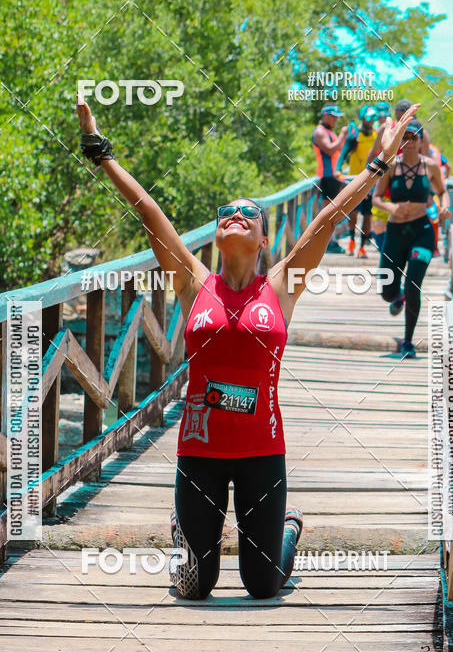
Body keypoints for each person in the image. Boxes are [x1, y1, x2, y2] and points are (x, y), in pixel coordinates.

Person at [76, 93, 420, 598]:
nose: (235, 214)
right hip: (200, 451)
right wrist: (100, 152)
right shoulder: (192, 282)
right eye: (226, 212)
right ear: (217, 233)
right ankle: (184, 533)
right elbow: (147, 210)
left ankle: (287, 530)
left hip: (262, 451)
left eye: (248, 213)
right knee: (194, 585)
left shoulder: (282, 285)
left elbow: (328, 218)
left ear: (263, 239)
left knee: (262, 584)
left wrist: (379, 164)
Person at [372, 119, 451, 358]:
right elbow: (376, 198)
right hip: (395, 232)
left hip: (422, 231)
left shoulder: (430, 166)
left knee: (413, 284)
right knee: (386, 291)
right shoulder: (391, 166)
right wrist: (392, 208)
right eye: (404, 138)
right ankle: (398, 296)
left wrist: (445, 207)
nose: (408, 143)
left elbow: (442, 192)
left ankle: (408, 342)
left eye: (413, 138)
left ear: (420, 141)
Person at [336, 107, 377, 258]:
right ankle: (352, 241)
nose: (371, 121)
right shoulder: (354, 136)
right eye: (369, 117)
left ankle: (362, 247)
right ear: (362, 117)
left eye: (373, 118)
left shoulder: (376, 135)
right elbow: (343, 154)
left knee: (368, 215)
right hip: (355, 181)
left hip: (372, 181)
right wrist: (338, 169)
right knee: (353, 212)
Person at [311, 104, 348, 253]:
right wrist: (343, 135)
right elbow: (330, 150)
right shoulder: (320, 132)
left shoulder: (329, 132)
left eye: (337, 117)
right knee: (329, 211)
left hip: (334, 176)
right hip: (327, 176)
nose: (335, 120)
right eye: (333, 117)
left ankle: (331, 241)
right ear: (325, 115)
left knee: (334, 211)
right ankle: (328, 243)